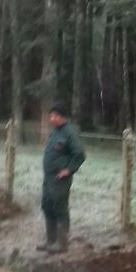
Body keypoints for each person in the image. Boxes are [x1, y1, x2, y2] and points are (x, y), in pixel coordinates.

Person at [37, 99, 86, 254]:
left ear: (61, 116)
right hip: (48, 177)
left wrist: (68, 170)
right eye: (50, 116)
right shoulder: (55, 132)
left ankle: (62, 243)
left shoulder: (70, 132)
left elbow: (80, 154)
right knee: (46, 205)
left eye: (53, 116)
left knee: (59, 207)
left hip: (60, 179)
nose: (51, 119)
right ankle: (50, 241)